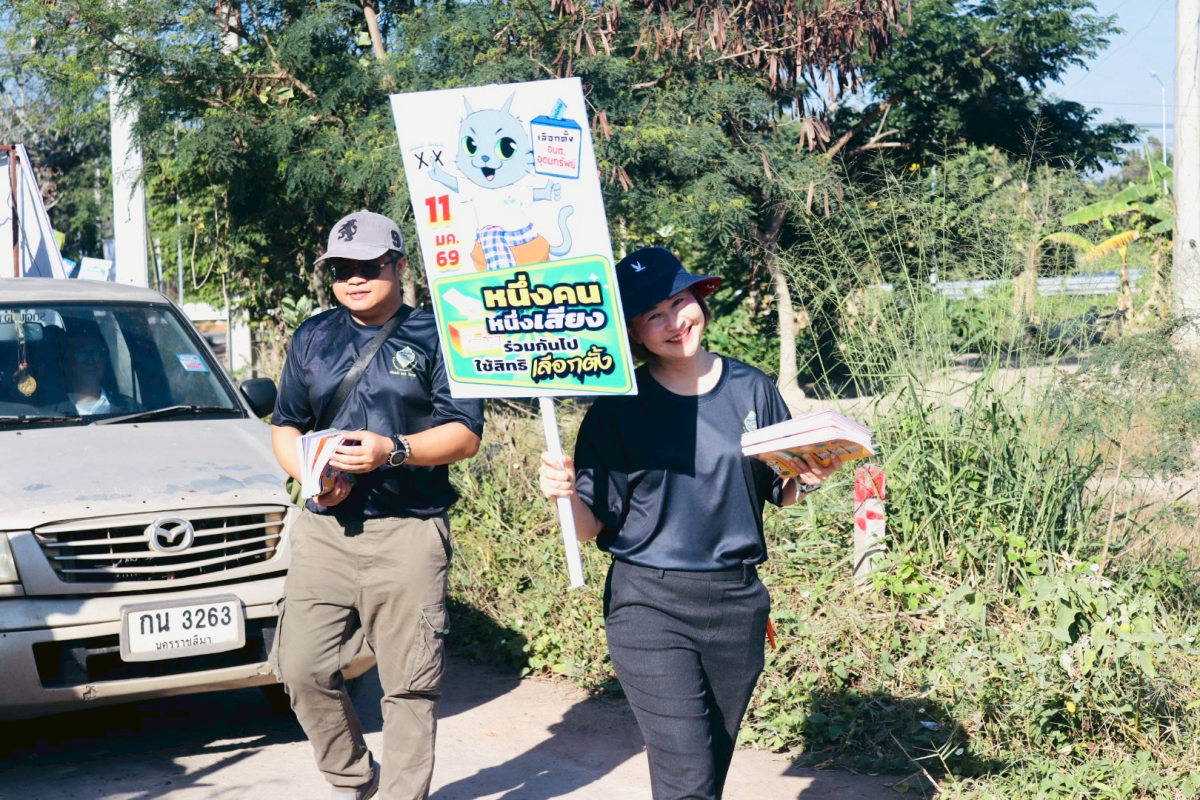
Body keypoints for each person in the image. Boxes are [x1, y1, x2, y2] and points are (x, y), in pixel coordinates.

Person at [538, 246, 843, 800]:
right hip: (648, 603)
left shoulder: (753, 389)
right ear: (632, 332)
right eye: (653, 315)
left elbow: (782, 489)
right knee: (687, 775)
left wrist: (810, 475)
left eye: (679, 302)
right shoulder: (617, 407)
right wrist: (562, 493)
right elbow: (589, 525)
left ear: (699, 299)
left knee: (706, 770)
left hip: (737, 603)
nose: (675, 322)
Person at [270, 210, 484, 800]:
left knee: (410, 686)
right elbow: (286, 426)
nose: (353, 278)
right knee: (301, 668)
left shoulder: (438, 334)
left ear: (398, 265)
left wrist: (396, 451)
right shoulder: (312, 336)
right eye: (341, 268)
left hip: (409, 533)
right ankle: (356, 781)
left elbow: (465, 433)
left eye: (368, 266)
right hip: (324, 533)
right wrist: (311, 479)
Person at [61, 319, 140, 415]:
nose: (90, 361)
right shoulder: (48, 414)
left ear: (105, 359)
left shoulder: (131, 409)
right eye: (81, 354)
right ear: (69, 361)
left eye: (96, 353)